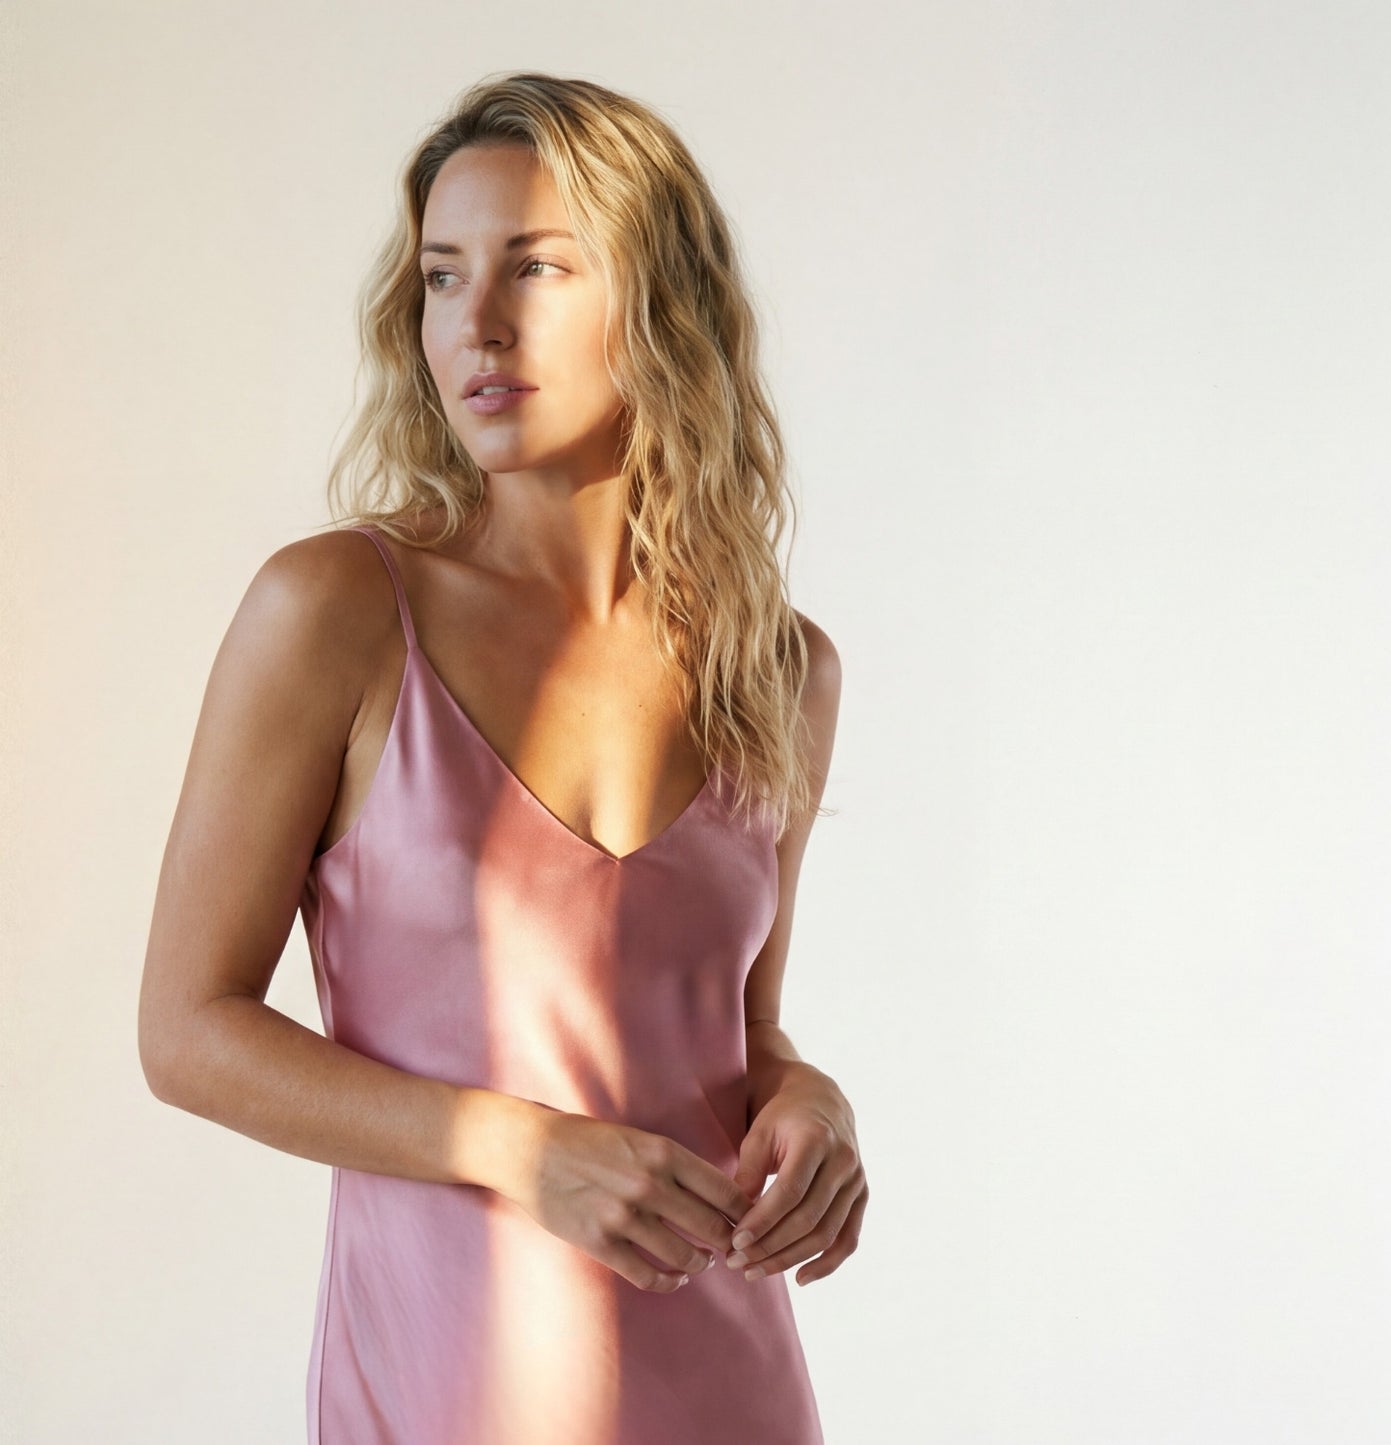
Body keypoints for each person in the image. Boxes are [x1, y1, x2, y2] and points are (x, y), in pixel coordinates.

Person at [138, 70, 866, 1444]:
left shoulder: (779, 669)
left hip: (733, 1390)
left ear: (662, 305)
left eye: (535, 267)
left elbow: (737, 1029)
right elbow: (186, 1033)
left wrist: (807, 1097)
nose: (475, 323)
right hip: (446, 1393)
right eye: (440, 276)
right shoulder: (337, 612)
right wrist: (517, 1148)